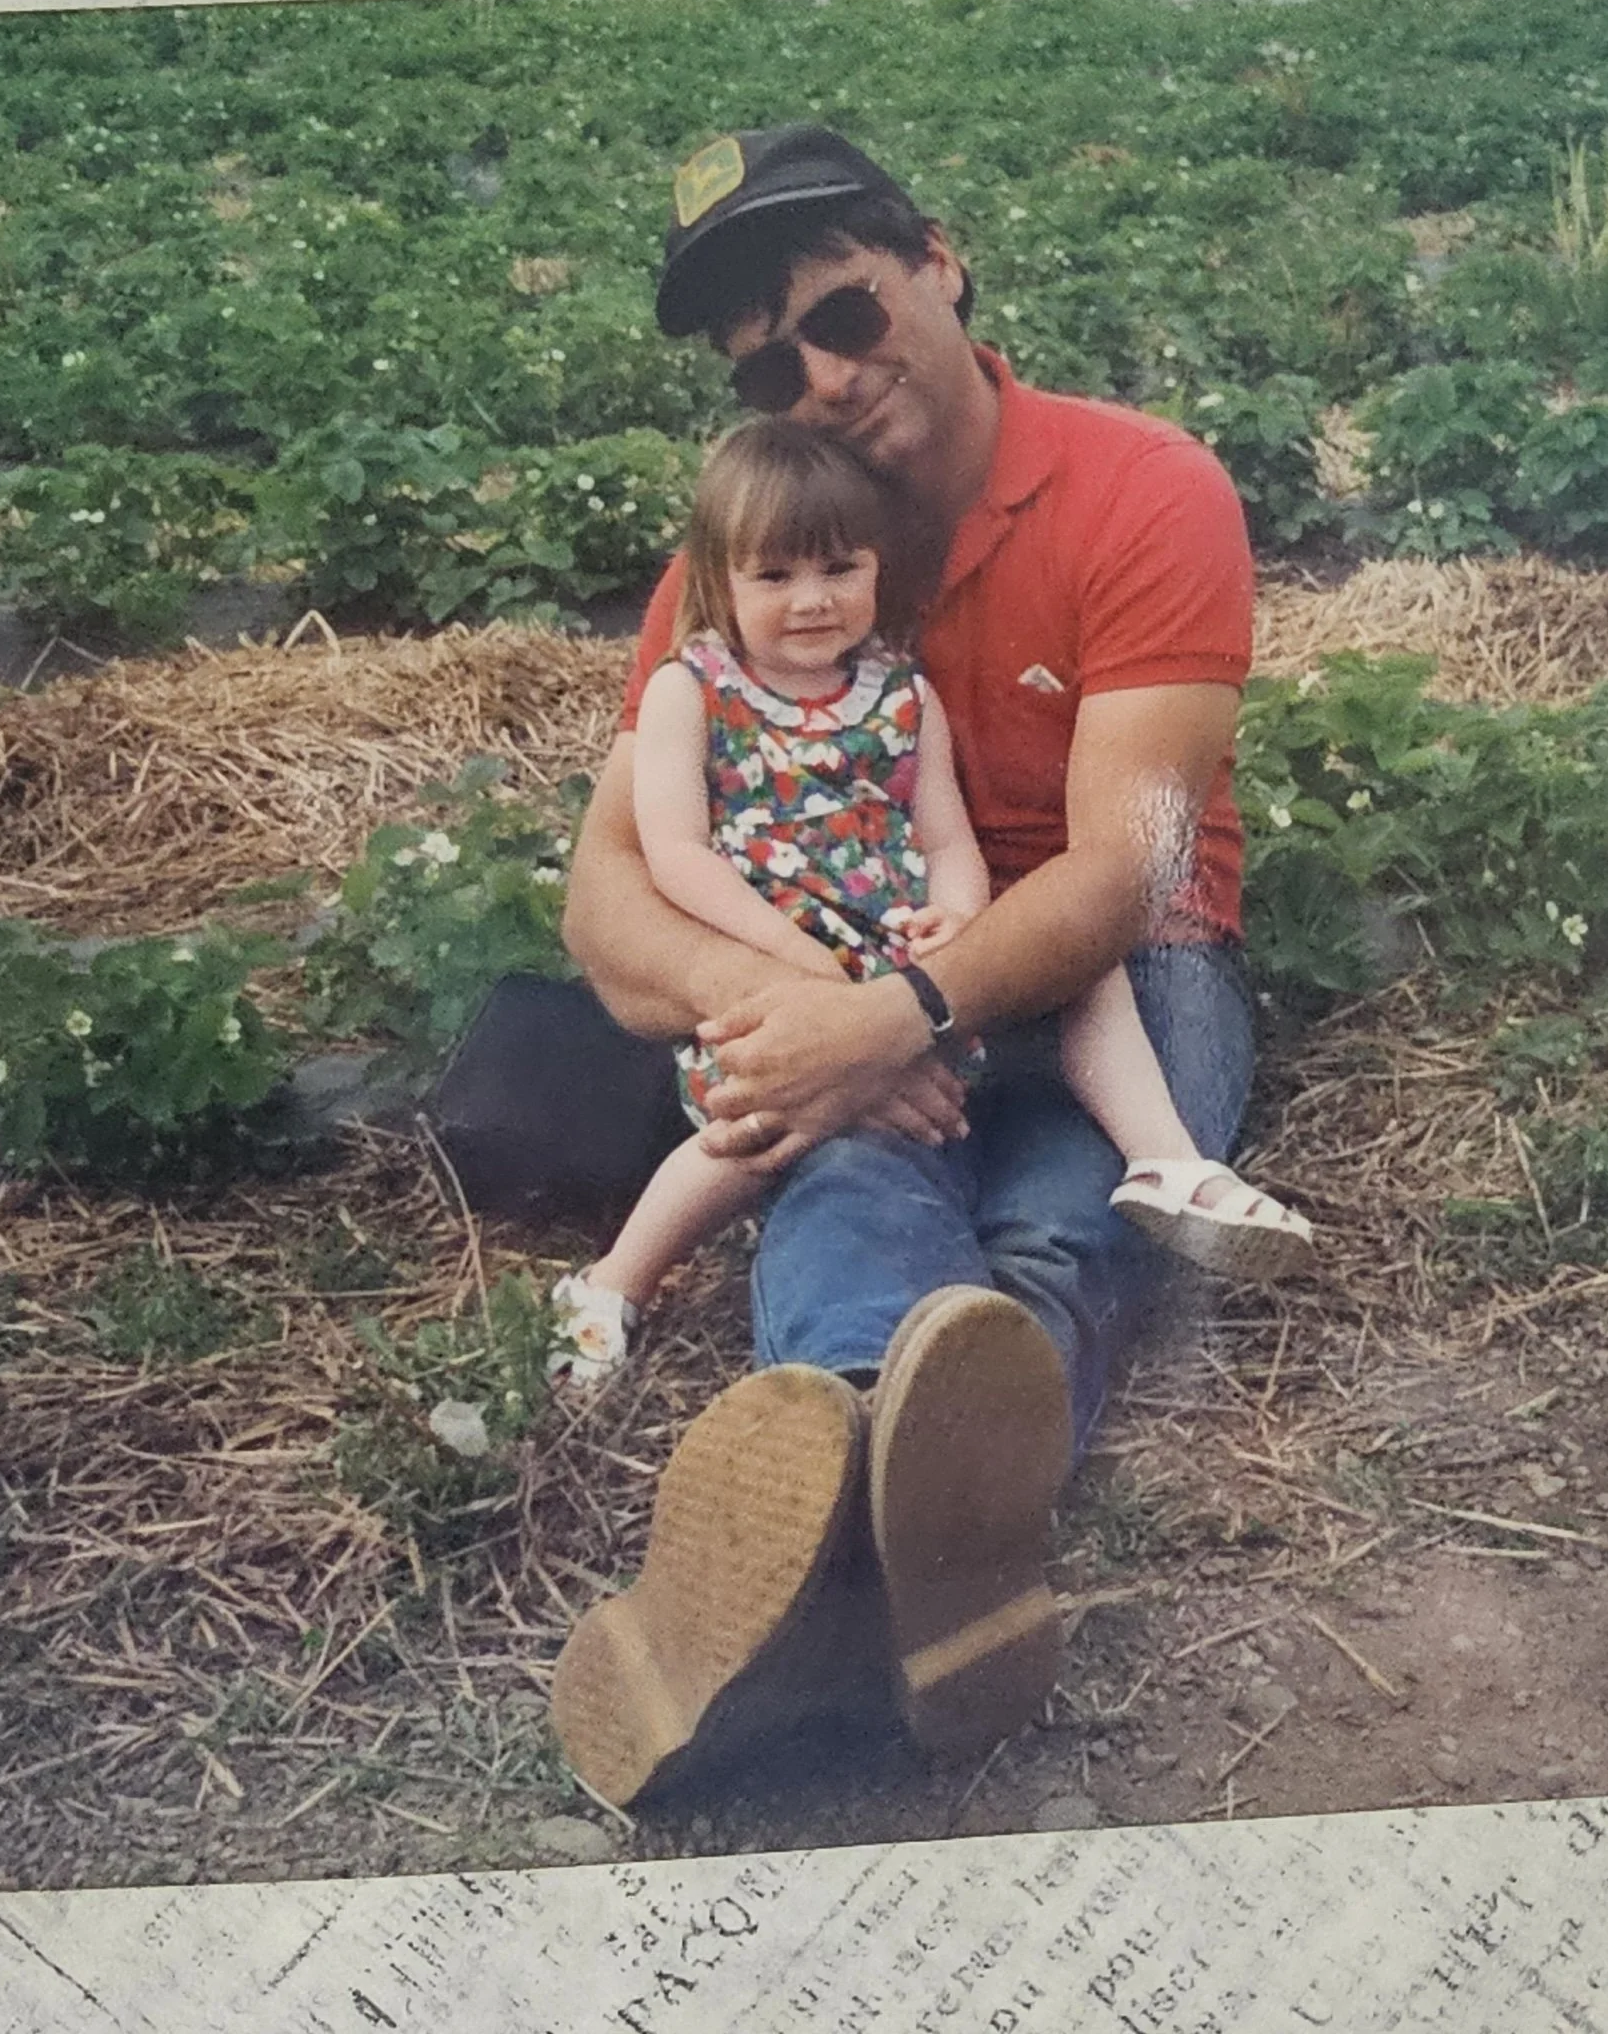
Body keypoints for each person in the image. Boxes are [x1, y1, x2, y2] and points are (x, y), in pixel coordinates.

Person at [549, 123, 1288, 1805]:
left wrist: (892, 1009)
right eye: (765, 360)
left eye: (846, 316)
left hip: (1114, 977)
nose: (814, 378)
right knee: (848, 1181)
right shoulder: (749, 562)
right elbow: (607, 904)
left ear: (938, 263)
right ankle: (896, 1522)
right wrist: (808, 1023)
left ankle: (813, 1575)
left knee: (1060, 1212)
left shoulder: (1141, 488)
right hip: (863, 979)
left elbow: (1134, 866)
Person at [546, 416, 1313, 1386]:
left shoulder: (909, 683)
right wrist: (822, 1001)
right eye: (775, 578)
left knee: (1061, 1214)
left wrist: (940, 945)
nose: (810, 600)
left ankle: (1149, 1177)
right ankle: (803, 1377)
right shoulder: (698, 676)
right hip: (805, 957)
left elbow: (1001, 849)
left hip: (963, 942)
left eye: (836, 570)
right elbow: (657, 860)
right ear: (721, 581)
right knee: (823, 1159)